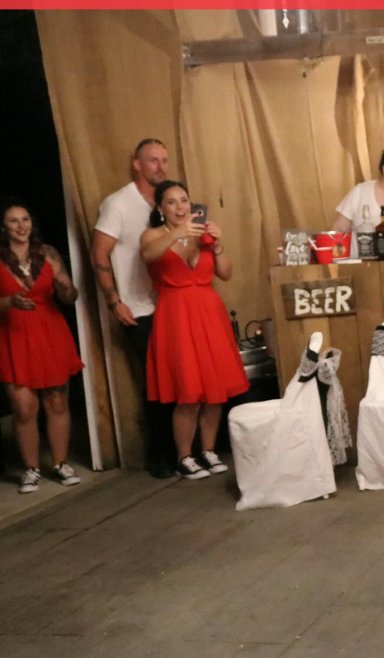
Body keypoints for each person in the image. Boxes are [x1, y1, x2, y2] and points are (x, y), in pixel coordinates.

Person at [140, 181, 248, 481]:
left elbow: (225, 273)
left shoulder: (203, 236)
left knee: (214, 390)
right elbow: (148, 255)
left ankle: (209, 450)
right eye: (172, 202)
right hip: (175, 315)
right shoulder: (153, 235)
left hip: (208, 312)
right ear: (160, 208)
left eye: (184, 201)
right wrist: (179, 232)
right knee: (188, 391)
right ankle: (184, 455)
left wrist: (218, 244)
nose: (180, 207)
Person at [92, 137, 175, 478]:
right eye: (153, 160)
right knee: (154, 383)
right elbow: (99, 254)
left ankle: (185, 449)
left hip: (169, 304)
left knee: (177, 378)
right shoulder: (118, 204)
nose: (160, 166)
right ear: (137, 164)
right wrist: (114, 301)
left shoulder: (167, 203)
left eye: (164, 160)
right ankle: (159, 454)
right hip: (137, 309)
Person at [0, 199, 84, 494]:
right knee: (23, 408)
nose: (22, 225)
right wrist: (9, 302)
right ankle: (31, 469)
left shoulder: (47, 253)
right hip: (15, 336)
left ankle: (60, 464)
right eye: (14, 220)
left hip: (50, 332)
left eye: (25, 219)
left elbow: (70, 296)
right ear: (4, 227)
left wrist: (64, 286)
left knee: (57, 401)